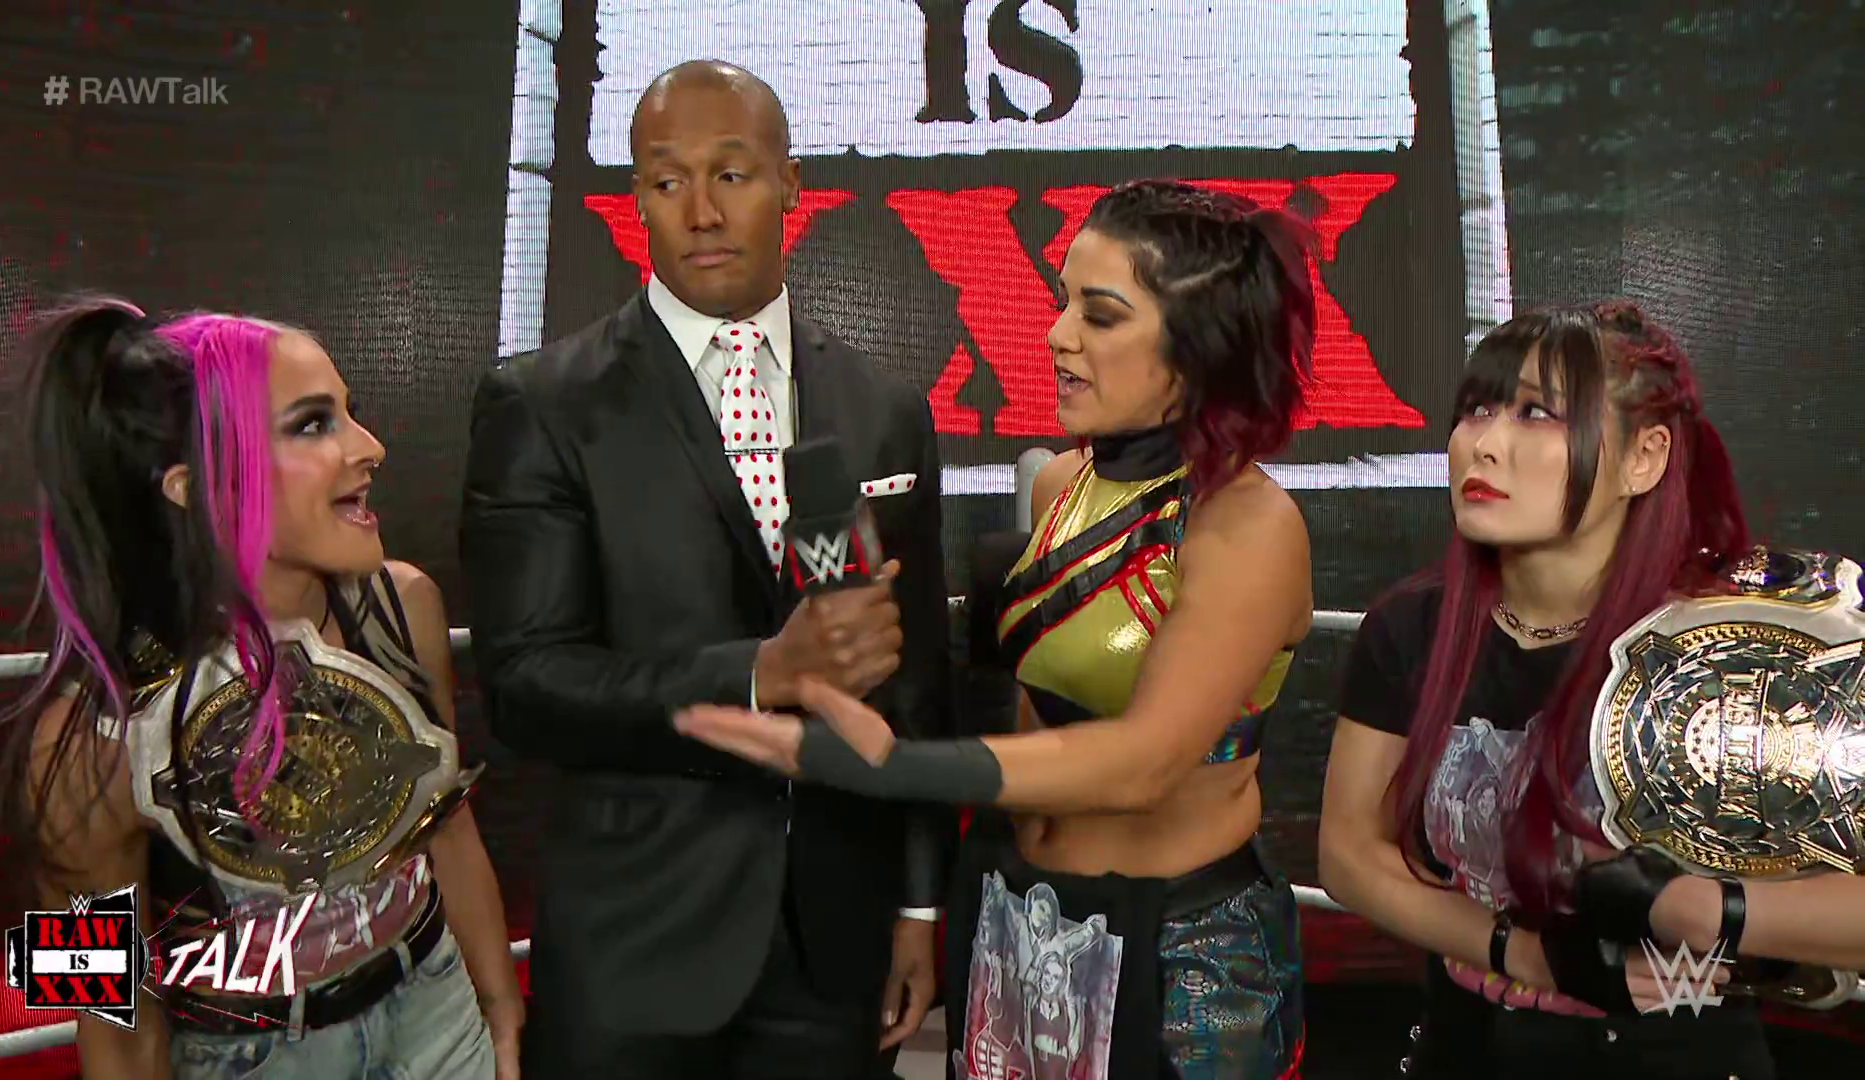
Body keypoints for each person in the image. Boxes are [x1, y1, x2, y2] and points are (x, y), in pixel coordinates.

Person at [675, 179, 1316, 1079]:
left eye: (1099, 315)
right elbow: (1031, 715)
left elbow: (1144, 762)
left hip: (1181, 959)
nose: (1056, 335)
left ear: (1198, 347)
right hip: (1020, 920)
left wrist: (897, 766)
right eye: (1064, 302)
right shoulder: (1059, 487)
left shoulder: (1246, 527)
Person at [458, 60, 952, 1079]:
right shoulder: (543, 405)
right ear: (636, 198)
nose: (700, 211)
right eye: (665, 179)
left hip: (834, 943)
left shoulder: (884, 408)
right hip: (637, 944)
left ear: (790, 183)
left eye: (730, 174)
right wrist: (760, 675)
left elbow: (917, 684)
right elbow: (528, 688)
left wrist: (915, 903)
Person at [1315, 301, 1865, 1078]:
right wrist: (1518, 952)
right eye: (1477, 409)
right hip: (1467, 1045)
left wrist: (1703, 910)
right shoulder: (1411, 628)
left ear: (1645, 457)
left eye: (1537, 414)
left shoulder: (1730, 653)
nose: (1485, 443)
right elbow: (1347, 854)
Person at [0, 299, 521, 1079]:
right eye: (313, 424)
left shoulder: (404, 606)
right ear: (194, 484)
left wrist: (501, 1007)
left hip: (437, 1014)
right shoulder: (81, 740)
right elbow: (100, 1007)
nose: (370, 448)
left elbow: (445, 824)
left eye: (349, 413)